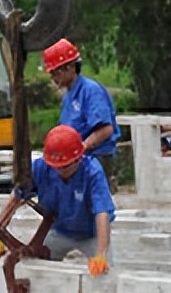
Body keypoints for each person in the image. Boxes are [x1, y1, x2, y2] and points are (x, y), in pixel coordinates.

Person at [0, 125, 113, 277]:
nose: (60, 171)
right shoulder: (40, 168)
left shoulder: (92, 173)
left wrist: (101, 253)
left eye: (65, 166)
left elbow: (102, 213)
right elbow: (16, 198)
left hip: (92, 234)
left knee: (105, 276)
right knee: (35, 269)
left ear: (78, 158)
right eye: (56, 167)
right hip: (60, 231)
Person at [43, 38, 120, 192]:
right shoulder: (68, 96)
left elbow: (106, 129)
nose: (53, 77)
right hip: (75, 160)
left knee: (95, 205)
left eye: (55, 72)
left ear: (70, 67)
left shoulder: (90, 91)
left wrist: (81, 147)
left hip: (96, 158)